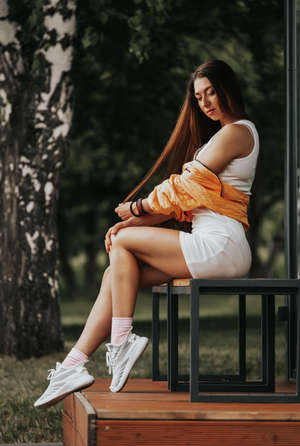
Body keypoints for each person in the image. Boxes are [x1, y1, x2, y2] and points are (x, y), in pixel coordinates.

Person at [34, 59, 259, 408]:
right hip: (217, 247)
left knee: (122, 244)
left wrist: (136, 209)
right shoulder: (222, 137)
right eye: (199, 97)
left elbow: (181, 188)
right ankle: (73, 365)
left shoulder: (237, 131)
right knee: (116, 271)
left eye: (211, 91)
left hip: (220, 245)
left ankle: (121, 343)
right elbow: (181, 205)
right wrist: (131, 224)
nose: (206, 102)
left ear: (228, 87)